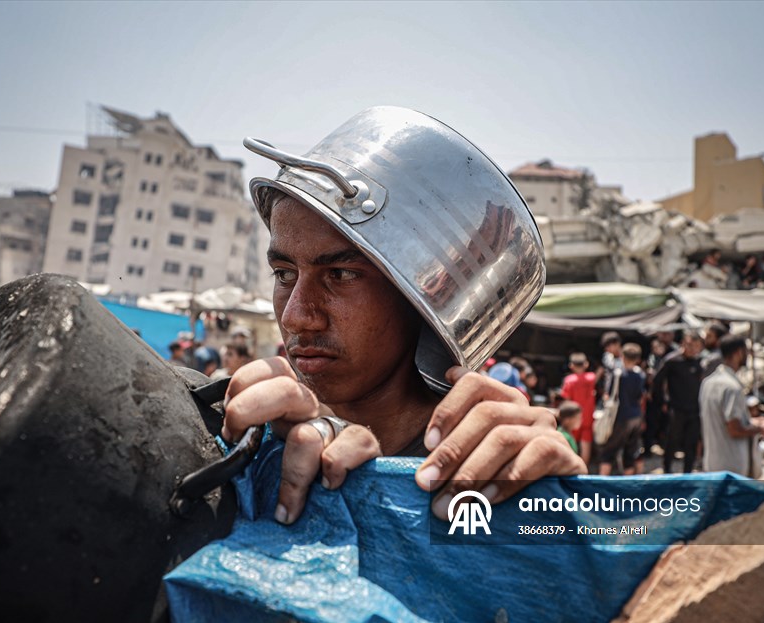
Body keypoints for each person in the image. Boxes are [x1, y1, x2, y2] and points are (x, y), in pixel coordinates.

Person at [222, 106, 584, 525]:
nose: (297, 317)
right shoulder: (253, 432)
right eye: (284, 274)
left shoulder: (480, 472)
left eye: (340, 274)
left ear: (420, 301)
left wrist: (561, 515)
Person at [699, 335, 764, 476]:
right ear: (738, 353)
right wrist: (760, 428)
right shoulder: (732, 387)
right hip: (732, 466)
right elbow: (734, 429)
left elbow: (722, 420)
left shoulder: (708, 382)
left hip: (713, 463)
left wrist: (755, 421)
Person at [653, 330, 704, 474]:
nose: (692, 349)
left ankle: (688, 473)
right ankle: (667, 469)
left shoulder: (699, 362)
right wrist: (663, 401)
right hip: (676, 408)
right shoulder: (672, 360)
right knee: (672, 440)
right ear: (683, 344)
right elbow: (657, 382)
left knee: (691, 442)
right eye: (689, 345)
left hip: (695, 409)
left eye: (695, 346)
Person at [597, 343, 645, 476]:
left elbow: (607, 395)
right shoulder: (640, 375)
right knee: (630, 453)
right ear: (638, 358)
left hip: (620, 417)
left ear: (622, 356)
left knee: (608, 452)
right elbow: (641, 397)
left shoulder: (617, 374)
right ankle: (628, 487)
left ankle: (601, 484)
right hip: (635, 416)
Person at [560, 352, 597, 465]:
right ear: (585, 364)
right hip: (587, 417)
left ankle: (572, 466)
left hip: (573, 417)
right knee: (586, 443)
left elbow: (566, 399)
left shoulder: (569, 380)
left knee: (571, 443)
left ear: (571, 366)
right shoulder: (592, 377)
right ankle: (583, 468)